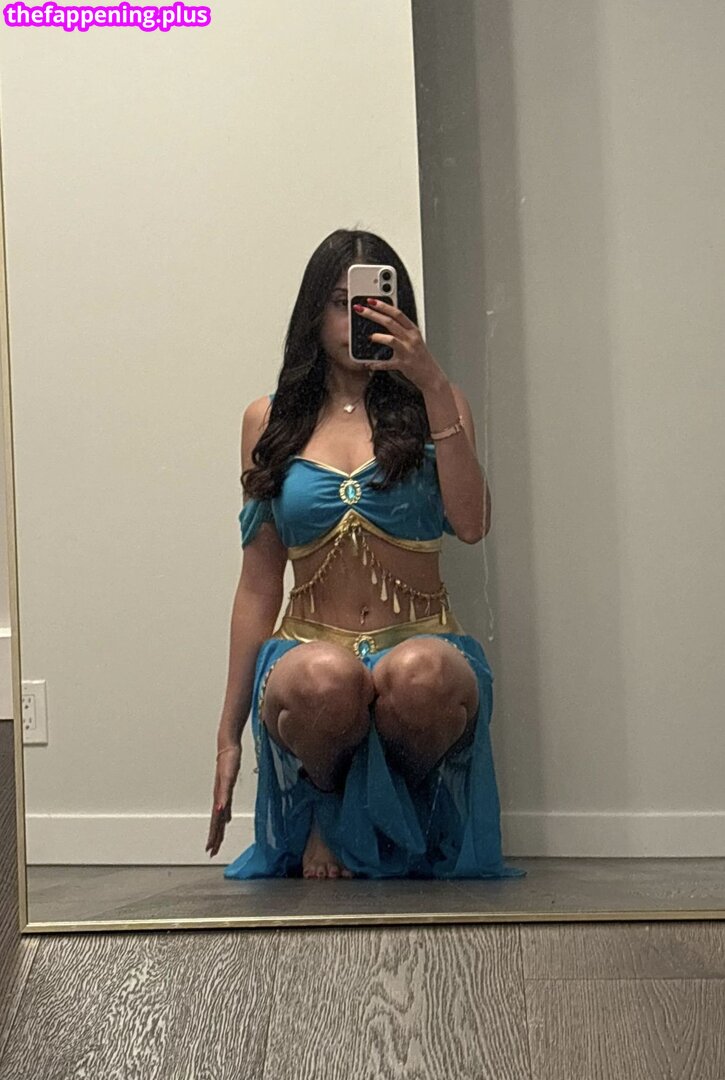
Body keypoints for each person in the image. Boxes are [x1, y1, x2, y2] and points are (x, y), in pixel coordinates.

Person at [205, 228, 525, 882]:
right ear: (312, 314)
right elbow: (259, 584)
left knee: (420, 677)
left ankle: (395, 811)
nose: (356, 319)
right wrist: (226, 734)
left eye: (376, 303)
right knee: (326, 679)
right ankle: (330, 810)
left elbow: (471, 525)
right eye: (339, 303)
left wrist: (432, 384)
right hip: (309, 652)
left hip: (421, 641)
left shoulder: (438, 403)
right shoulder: (268, 420)